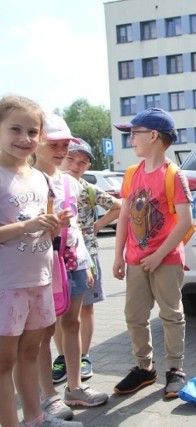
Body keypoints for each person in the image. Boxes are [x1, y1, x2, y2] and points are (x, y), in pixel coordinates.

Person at [0, 96, 84, 427]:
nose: (24, 138)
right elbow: (23, 227)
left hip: (40, 281)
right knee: (4, 362)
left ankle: (35, 419)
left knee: (31, 354)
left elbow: (46, 229)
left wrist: (55, 223)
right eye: (14, 129)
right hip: (7, 285)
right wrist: (27, 226)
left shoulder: (40, 178)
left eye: (32, 131)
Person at [111, 108, 194, 399]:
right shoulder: (132, 174)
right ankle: (144, 369)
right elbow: (123, 217)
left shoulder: (173, 175)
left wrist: (159, 255)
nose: (131, 139)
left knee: (171, 314)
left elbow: (185, 221)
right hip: (135, 260)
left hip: (166, 259)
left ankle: (175, 369)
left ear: (154, 136)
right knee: (134, 315)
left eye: (135, 133)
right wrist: (118, 254)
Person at [34, 113, 109, 419]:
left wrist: (86, 262)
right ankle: (48, 395)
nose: (61, 149)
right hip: (39, 264)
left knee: (73, 323)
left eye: (65, 143)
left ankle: (75, 388)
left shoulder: (71, 183)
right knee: (41, 331)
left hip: (73, 262)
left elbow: (75, 225)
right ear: (39, 142)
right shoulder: (28, 179)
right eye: (54, 143)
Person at [50, 140, 121, 382]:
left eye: (82, 162)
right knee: (60, 310)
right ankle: (62, 357)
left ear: (89, 165)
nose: (75, 166)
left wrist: (97, 225)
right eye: (70, 159)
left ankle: (83, 356)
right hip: (57, 257)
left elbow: (118, 206)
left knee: (86, 308)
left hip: (86, 256)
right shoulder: (51, 185)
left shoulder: (88, 189)